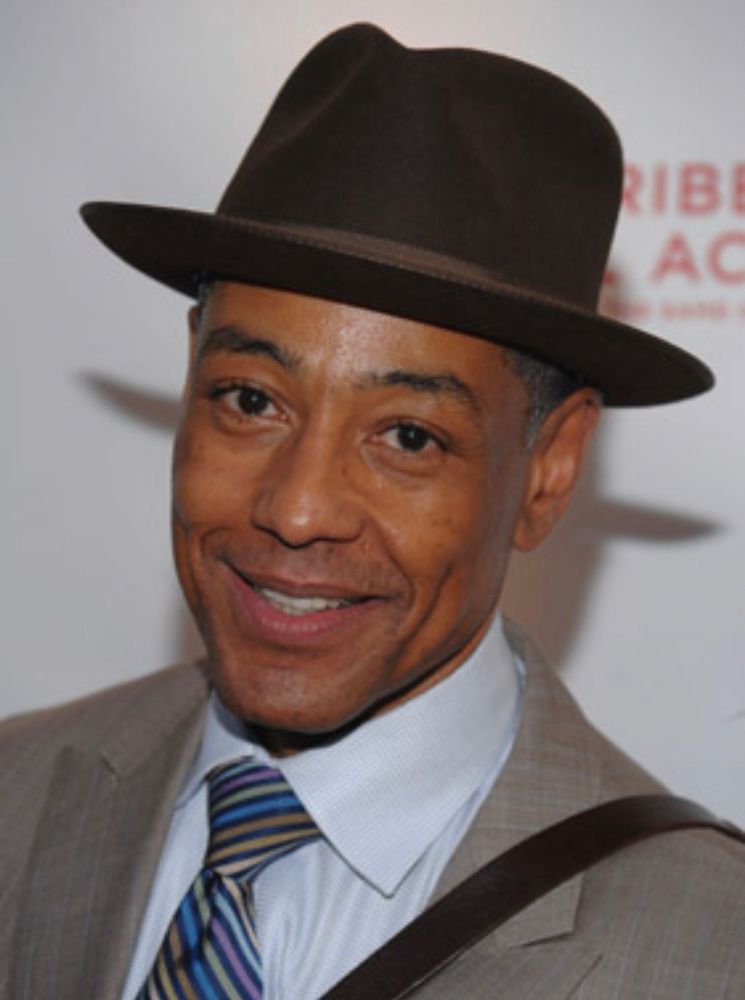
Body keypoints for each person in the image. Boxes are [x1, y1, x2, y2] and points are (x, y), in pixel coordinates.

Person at [1, 22, 743, 1000]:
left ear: (547, 470)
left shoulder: (709, 947)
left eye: (408, 437)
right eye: (250, 401)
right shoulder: (16, 795)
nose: (298, 510)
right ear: (189, 369)